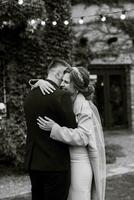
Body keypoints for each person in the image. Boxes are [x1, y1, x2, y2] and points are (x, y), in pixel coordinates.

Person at [31, 67, 106, 200]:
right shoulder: (66, 101)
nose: (61, 84)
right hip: (65, 162)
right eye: (62, 81)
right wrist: (40, 82)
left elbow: (83, 137)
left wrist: (55, 129)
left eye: (66, 82)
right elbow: (51, 86)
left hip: (79, 164)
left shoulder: (84, 107)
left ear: (76, 87)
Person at [23, 58, 77, 200]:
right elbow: (72, 128)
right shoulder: (61, 96)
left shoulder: (30, 95)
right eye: (64, 74)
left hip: (33, 163)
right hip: (55, 164)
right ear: (59, 74)